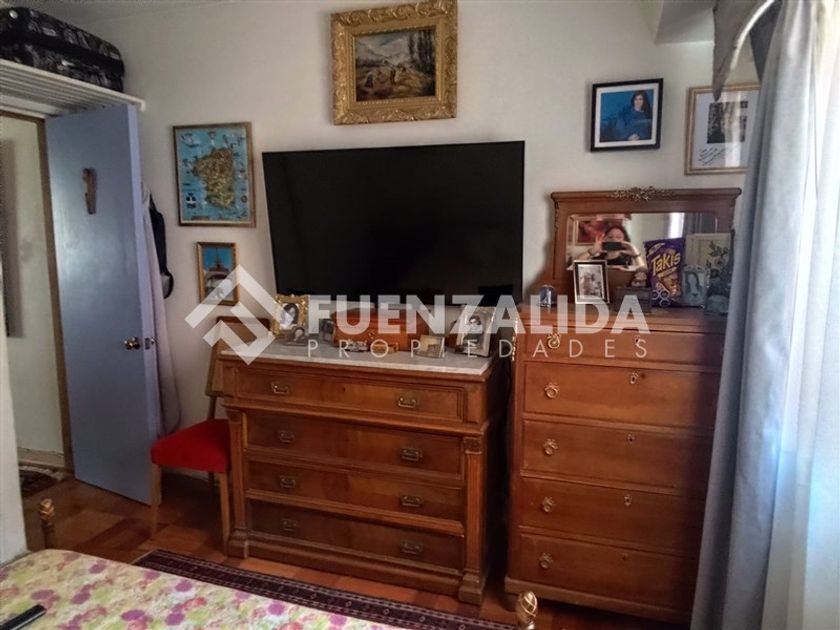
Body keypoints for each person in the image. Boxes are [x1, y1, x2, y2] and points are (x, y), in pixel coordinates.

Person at [576, 224, 645, 268]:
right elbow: (575, 265)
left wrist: (636, 254)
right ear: (605, 239)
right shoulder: (598, 260)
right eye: (610, 237)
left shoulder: (630, 261)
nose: (614, 240)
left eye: (618, 237)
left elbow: (644, 274)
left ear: (625, 240)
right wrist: (592, 251)